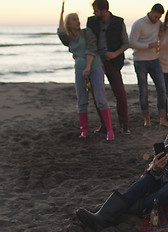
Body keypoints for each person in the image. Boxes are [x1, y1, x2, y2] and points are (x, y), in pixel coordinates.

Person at [75, 103, 168, 229]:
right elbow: (163, 170)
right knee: (149, 178)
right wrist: (156, 168)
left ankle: (113, 210)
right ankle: (104, 216)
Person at [57, 1, 114, 141]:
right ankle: (84, 131)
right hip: (79, 69)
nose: (77, 22)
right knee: (82, 101)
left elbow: (91, 49)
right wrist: (62, 12)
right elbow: (60, 31)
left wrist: (88, 67)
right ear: (69, 23)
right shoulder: (69, 38)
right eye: (74, 20)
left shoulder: (86, 32)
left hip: (94, 67)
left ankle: (110, 131)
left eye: (77, 19)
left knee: (101, 99)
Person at [87, 0, 130, 135]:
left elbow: (126, 43)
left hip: (113, 61)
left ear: (104, 10)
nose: (94, 13)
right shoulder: (91, 22)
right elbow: (87, 41)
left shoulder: (118, 22)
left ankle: (124, 125)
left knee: (120, 93)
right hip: (96, 62)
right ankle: (104, 125)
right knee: (97, 95)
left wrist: (114, 54)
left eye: (96, 10)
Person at [129, 3, 168, 127]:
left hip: (154, 60)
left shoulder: (158, 24)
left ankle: (162, 118)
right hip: (140, 60)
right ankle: (146, 119)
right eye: (155, 17)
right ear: (151, 12)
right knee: (143, 90)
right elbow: (131, 43)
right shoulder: (139, 24)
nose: (157, 19)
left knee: (162, 88)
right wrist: (148, 46)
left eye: (159, 17)